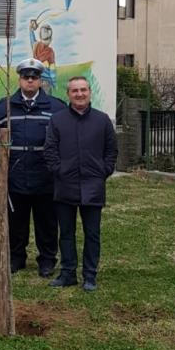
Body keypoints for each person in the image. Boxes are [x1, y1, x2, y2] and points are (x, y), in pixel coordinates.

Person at [43, 76, 118, 291]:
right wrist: (59, 171)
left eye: (83, 90)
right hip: (65, 186)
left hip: (93, 187)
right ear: (68, 94)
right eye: (75, 91)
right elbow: (49, 151)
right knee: (66, 233)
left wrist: (104, 171)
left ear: (89, 92)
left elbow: (111, 150)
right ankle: (68, 273)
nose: (79, 94)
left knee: (92, 234)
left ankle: (90, 275)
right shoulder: (57, 120)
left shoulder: (102, 120)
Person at [0, 58, 66, 277]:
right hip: (16, 175)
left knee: (47, 222)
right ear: (20, 79)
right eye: (26, 77)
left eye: (35, 77)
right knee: (17, 222)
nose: (30, 81)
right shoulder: (4, 106)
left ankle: (47, 259)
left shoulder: (56, 107)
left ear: (40, 81)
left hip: (45, 176)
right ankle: (17, 258)